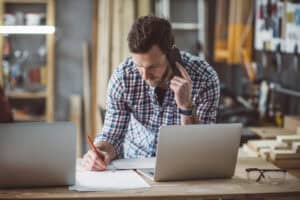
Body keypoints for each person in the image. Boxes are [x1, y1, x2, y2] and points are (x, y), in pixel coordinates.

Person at [82, 16, 220, 171]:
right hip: (134, 167)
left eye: (153, 67)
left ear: (170, 52)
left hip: (181, 169)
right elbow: (112, 136)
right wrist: (100, 152)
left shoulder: (205, 78)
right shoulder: (123, 77)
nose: (145, 76)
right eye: (139, 66)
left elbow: (200, 150)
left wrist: (185, 107)